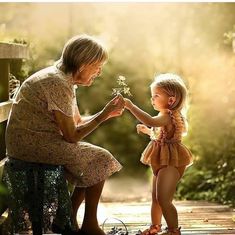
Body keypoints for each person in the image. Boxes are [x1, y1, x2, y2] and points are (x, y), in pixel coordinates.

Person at [5, 35, 125, 235]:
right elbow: (72, 136)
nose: (99, 72)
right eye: (97, 66)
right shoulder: (57, 83)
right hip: (31, 145)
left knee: (94, 160)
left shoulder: (64, 80)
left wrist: (105, 114)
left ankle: (66, 220)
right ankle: (88, 225)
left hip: (39, 141)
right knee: (101, 159)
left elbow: (75, 123)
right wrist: (102, 115)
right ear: (83, 64)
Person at [124, 73, 193, 235]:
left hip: (170, 163)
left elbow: (151, 121)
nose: (152, 99)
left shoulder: (168, 116)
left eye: (156, 95)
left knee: (164, 199)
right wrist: (149, 132)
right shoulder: (165, 117)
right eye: (152, 95)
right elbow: (162, 134)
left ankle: (173, 230)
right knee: (155, 198)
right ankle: (155, 226)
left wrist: (131, 106)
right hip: (161, 160)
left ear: (171, 100)